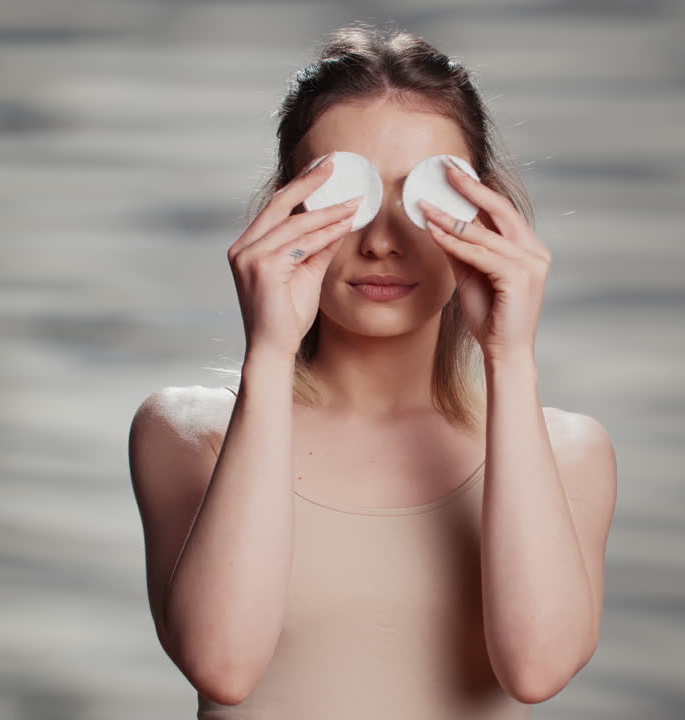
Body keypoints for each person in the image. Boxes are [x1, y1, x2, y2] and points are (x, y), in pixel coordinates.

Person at [128, 23, 617, 719]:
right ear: (283, 211)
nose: (383, 242)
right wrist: (267, 353)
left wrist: (510, 358)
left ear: (487, 213)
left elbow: (536, 667)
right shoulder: (188, 433)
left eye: (424, 199)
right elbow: (224, 665)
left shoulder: (570, 454)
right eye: (344, 200)